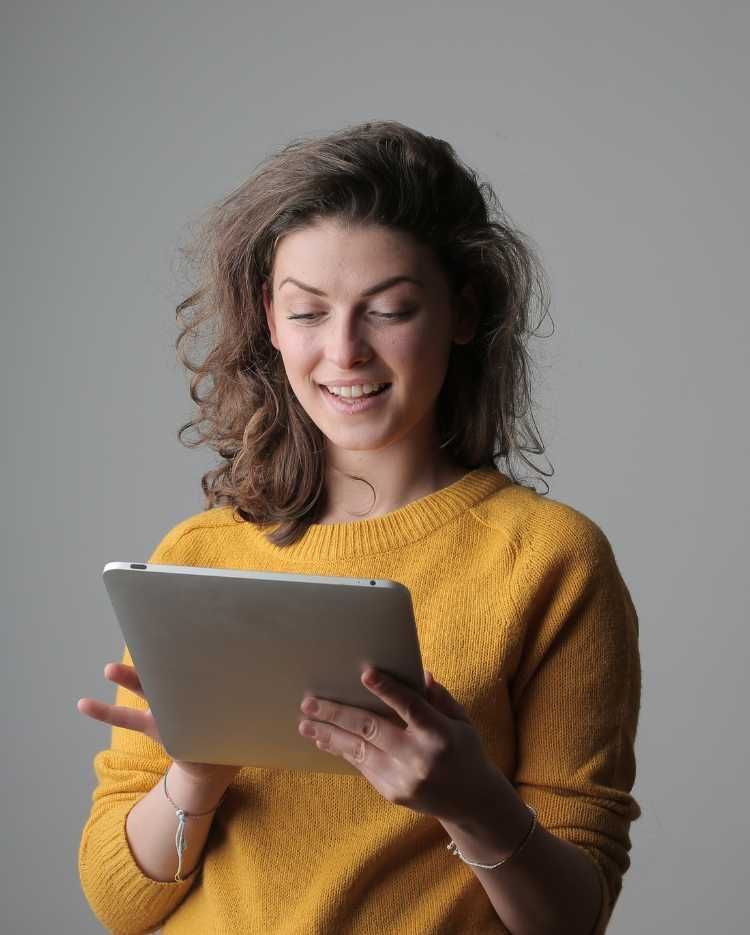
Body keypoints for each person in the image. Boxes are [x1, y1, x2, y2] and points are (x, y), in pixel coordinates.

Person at [76, 120, 641, 935]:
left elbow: (571, 919)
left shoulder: (550, 560)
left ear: (462, 311)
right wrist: (193, 776)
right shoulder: (199, 555)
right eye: (308, 312)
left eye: (390, 310)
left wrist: (472, 802)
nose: (344, 352)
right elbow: (120, 903)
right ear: (269, 319)